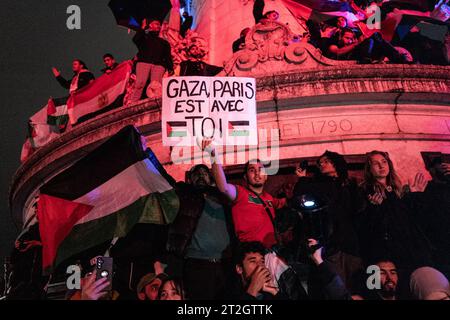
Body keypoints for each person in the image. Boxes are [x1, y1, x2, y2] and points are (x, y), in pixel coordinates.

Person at [292, 151, 364, 293]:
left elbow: (358, 211)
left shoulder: (349, 185)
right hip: (330, 247)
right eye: (320, 163)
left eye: (326, 161)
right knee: (335, 288)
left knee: (358, 287)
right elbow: (300, 198)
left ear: (336, 163)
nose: (322, 164)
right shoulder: (316, 184)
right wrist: (302, 178)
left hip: (351, 245)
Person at [358, 151, 432, 272]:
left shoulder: (397, 190)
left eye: (384, 162)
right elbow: (364, 226)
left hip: (408, 248)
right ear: (369, 168)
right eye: (376, 163)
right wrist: (375, 208)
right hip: (382, 253)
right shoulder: (364, 191)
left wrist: (415, 196)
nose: (381, 166)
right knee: (378, 285)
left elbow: (412, 219)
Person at [207, 143, 286, 249]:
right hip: (250, 253)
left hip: (272, 252)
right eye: (252, 170)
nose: (257, 174)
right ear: (245, 177)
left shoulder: (269, 198)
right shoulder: (241, 193)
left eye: (260, 170)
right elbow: (223, 187)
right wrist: (213, 154)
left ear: (266, 176)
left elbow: (287, 201)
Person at [182, 164, 235, 300]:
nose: (201, 175)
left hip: (226, 263)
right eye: (196, 173)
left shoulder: (222, 197)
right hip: (197, 264)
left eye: (204, 173)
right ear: (189, 179)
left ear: (211, 178)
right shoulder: (184, 196)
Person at [408, 156, 450, 279]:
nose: (444, 167)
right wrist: (415, 196)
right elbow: (418, 218)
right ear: (430, 169)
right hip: (437, 250)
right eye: (440, 165)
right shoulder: (426, 189)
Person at [129, 19, 174, 102]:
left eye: (159, 25)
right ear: (150, 25)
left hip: (159, 65)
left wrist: (170, 67)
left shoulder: (164, 42)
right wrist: (142, 28)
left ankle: (155, 103)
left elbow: (167, 56)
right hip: (144, 62)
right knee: (140, 83)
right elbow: (135, 39)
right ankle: (133, 102)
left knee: (156, 86)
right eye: (156, 24)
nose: (159, 26)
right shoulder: (144, 37)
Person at [327, 28, 407, 63]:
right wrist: (357, 43)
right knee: (371, 39)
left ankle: (398, 58)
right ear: (340, 37)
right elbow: (338, 52)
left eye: (351, 39)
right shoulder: (333, 45)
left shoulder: (353, 44)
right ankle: (366, 59)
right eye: (347, 38)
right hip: (353, 59)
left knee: (377, 38)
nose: (349, 41)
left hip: (364, 56)